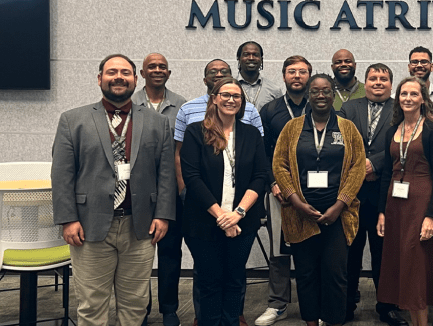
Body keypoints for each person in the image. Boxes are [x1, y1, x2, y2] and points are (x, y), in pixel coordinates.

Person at [51, 54, 176, 326]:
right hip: (89, 226)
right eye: (111, 72)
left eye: (125, 72)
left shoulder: (157, 122)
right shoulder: (73, 120)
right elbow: (62, 175)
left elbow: (166, 174)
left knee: (135, 307)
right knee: (92, 308)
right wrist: (68, 219)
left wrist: (163, 215)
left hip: (140, 227)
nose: (119, 77)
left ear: (135, 79)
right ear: (100, 79)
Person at [175, 59, 264, 326]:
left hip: (243, 222)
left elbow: (260, 176)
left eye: (236, 96)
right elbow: (192, 178)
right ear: (214, 98)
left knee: (235, 280)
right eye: (225, 95)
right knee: (209, 281)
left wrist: (237, 214)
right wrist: (221, 217)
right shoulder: (196, 132)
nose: (231, 100)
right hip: (203, 221)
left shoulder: (251, 134)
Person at [272, 74, 366, 326]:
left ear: (333, 95)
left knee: (336, 273)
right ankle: (311, 321)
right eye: (315, 91)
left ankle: (334, 320)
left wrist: (340, 204)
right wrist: (296, 202)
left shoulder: (347, 128)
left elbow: (358, 167)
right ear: (308, 95)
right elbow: (279, 164)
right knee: (306, 273)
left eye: (326, 91)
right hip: (301, 214)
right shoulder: (292, 128)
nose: (321, 95)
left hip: (338, 215)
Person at [377, 77, 433, 326]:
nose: (408, 98)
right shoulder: (392, 130)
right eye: (403, 94)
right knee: (403, 266)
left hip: (421, 204)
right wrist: (381, 212)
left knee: (416, 266)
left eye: (413, 94)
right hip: (395, 207)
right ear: (398, 99)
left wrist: (431, 215)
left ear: (423, 99)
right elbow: (386, 174)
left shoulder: (432, 130)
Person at [339, 64, 407, 326]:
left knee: (385, 255)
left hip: (384, 193)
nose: (378, 82)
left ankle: (387, 307)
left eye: (383, 79)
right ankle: (346, 306)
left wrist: (375, 163)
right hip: (351, 195)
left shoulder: (399, 109)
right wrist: (360, 166)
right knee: (350, 254)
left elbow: (404, 141)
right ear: (365, 82)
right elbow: (340, 142)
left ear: (391, 84)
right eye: (373, 78)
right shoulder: (348, 108)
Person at [255, 55, 313, 326]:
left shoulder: (320, 105)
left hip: (314, 190)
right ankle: (277, 304)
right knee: (279, 250)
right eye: (292, 71)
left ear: (309, 76)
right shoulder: (270, 110)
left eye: (302, 71)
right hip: (279, 191)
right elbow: (262, 152)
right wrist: (272, 183)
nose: (297, 76)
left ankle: (314, 305)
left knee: (313, 249)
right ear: (283, 76)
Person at [132, 53, 187, 326]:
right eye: (151, 67)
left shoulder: (181, 105)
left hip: (170, 192)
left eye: (162, 67)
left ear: (169, 72)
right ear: (142, 74)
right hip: (136, 192)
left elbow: (184, 150)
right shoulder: (129, 103)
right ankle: (139, 309)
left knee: (170, 253)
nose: (157, 70)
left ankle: (169, 309)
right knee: (137, 256)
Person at [237, 41, 283, 111]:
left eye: (255, 55)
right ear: (239, 59)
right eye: (246, 55)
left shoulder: (274, 90)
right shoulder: (228, 87)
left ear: (261, 59)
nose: (251, 58)